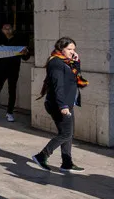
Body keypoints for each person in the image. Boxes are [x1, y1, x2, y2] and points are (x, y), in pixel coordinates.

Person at [32, 37, 88, 172]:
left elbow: (76, 77)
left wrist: (77, 62)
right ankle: (41, 156)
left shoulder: (68, 62)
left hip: (68, 103)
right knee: (66, 134)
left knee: (68, 133)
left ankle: (67, 162)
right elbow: (58, 86)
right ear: (60, 49)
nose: (72, 51)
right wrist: (63, 106)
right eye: (69, 49)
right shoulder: (56, 63)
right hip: (59, 104)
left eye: (74, 49)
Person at [0, 23, 31, 122]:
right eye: (5, 29)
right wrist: (0, 49)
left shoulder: (19, 39)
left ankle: (10, 113)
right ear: (2, 30)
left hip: (14, 68)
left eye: (9, 28)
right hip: (1, 68)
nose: (7, 31)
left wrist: (26, 52)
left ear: (13, 29)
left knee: (12, 91)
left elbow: (26, 57)